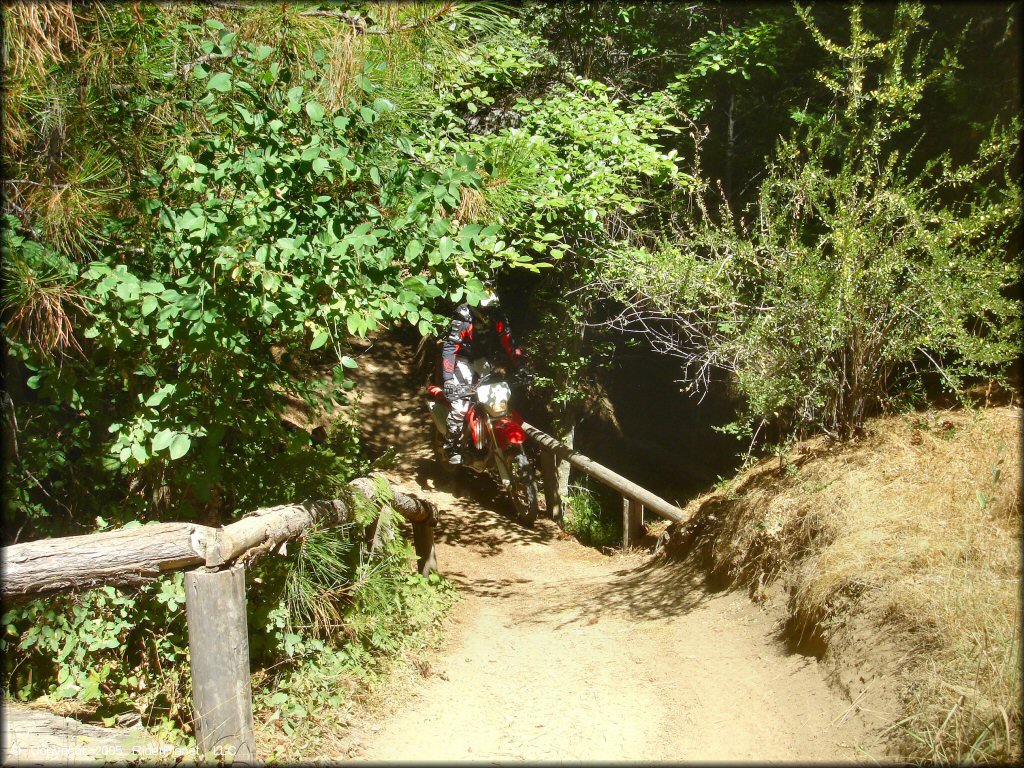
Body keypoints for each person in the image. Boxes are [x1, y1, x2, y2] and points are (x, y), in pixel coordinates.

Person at [439, 290, 527, 464]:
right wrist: (448, 379)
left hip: (482, 357)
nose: (489, 313)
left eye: (492, 309)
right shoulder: (463, 315)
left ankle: (487, 439)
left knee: (493, 398)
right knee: (461, 404)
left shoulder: (497, 313)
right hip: (462, 358)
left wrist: (522, 365)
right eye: (486, 310)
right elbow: (450, 347)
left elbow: (508, 339)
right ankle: (452, 444)